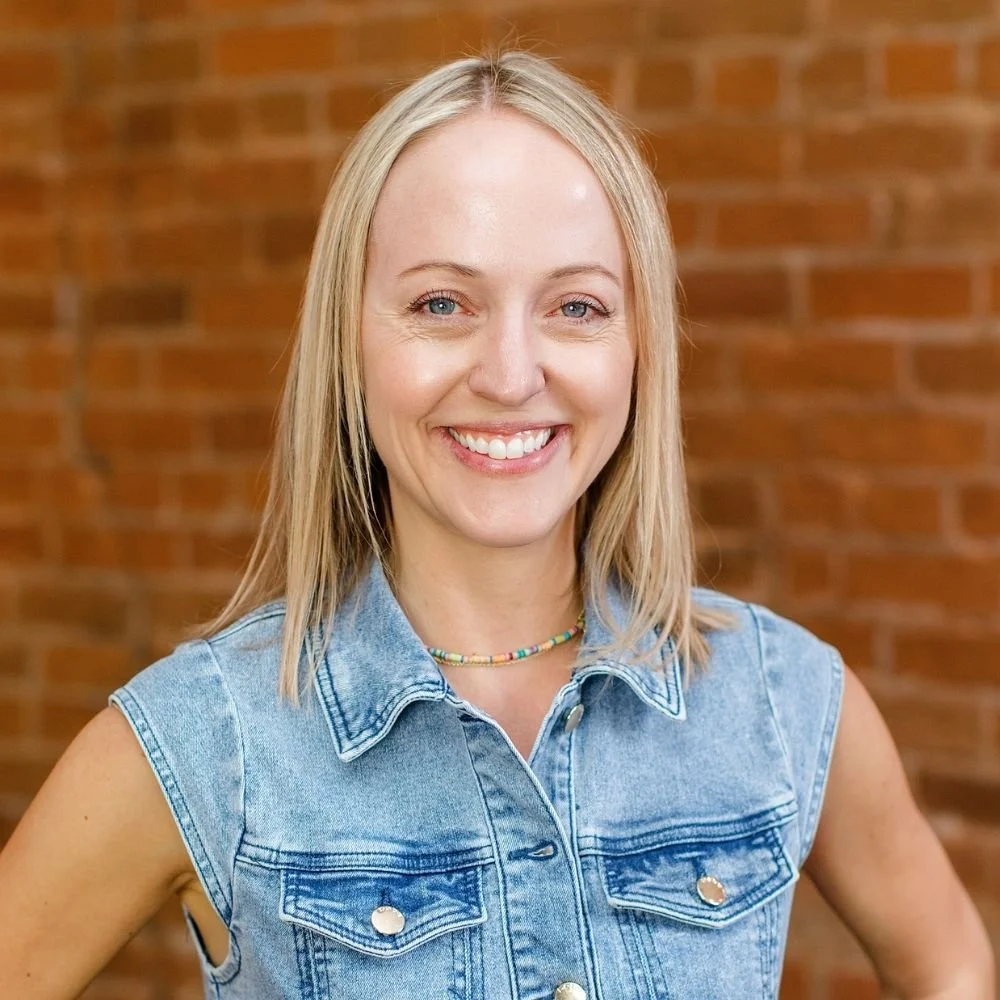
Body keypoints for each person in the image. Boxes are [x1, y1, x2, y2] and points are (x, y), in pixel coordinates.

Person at [0, 49, 993, 1000]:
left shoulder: (781, 701)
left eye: (575, 306)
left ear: (638, 344)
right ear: (347, 340)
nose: (512, 374)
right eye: (441, 302)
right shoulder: (208, 739)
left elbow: (948, 966)